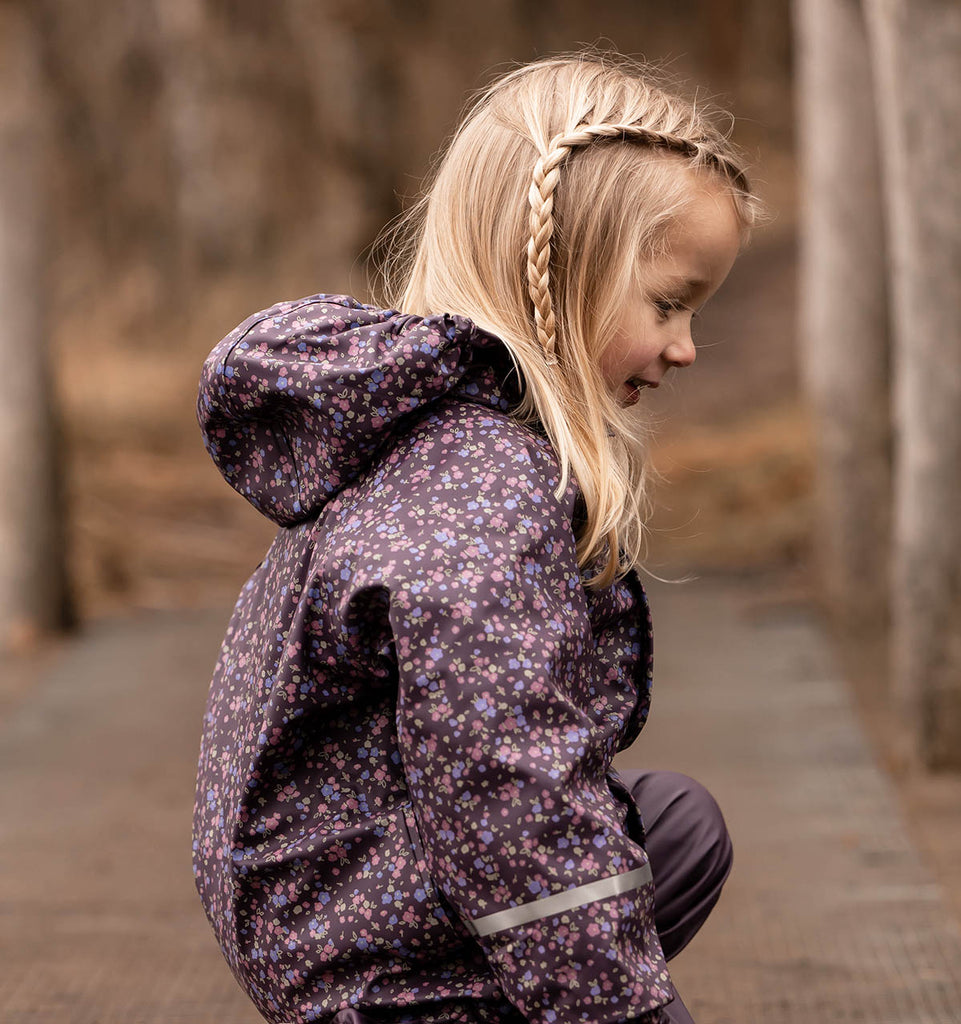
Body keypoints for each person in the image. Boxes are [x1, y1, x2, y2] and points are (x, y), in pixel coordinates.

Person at [191, 50, 759, 1024]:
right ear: (561, 271)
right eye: (667, 303)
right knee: (578, 843)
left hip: (325, 892)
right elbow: (510, 787)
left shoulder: (429, 433)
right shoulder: (482, 491)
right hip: (367, 965)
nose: (685, 347)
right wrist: (624, 1010)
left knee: (673, 825)